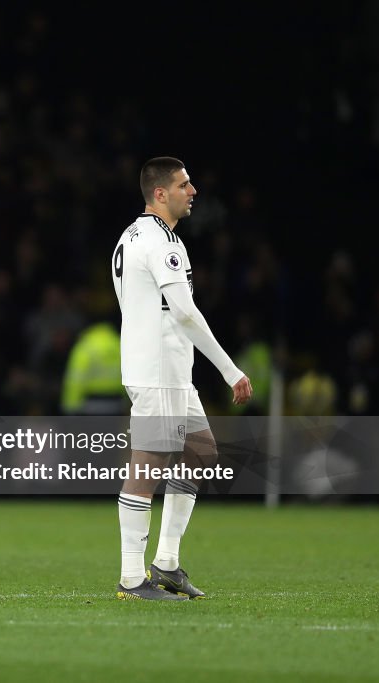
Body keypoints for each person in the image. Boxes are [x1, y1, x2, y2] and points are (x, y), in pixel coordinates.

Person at [110, 157, 252, 600]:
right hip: (157, 373)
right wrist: (230, 370)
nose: (192, 191)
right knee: (146, 468)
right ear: (160, 193)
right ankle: (132, 578)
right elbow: (186, 313)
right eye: (184, 184)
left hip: (168, 372)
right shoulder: (159, 242)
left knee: (200, 450)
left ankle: (167, 562)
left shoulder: (130, 237)